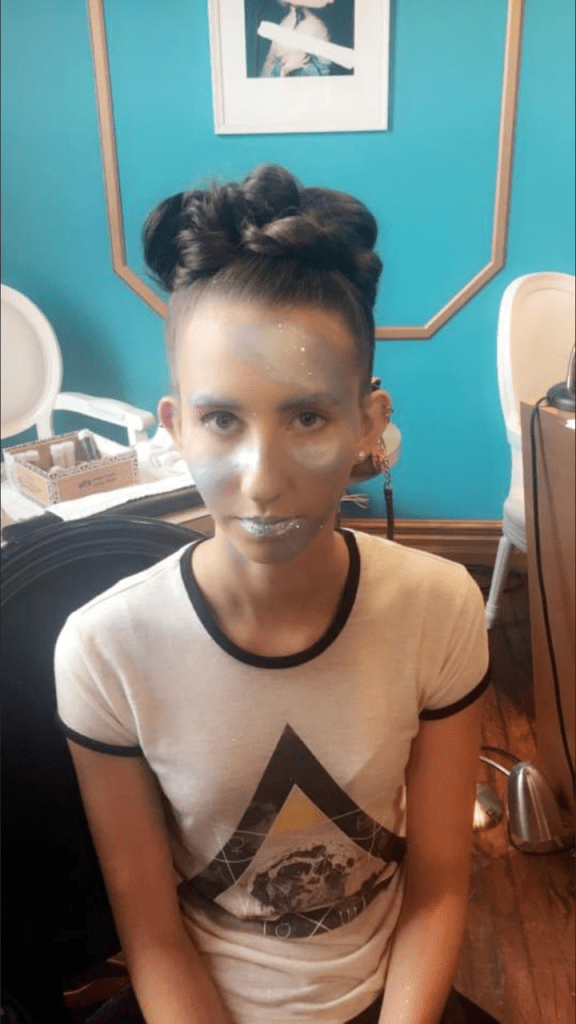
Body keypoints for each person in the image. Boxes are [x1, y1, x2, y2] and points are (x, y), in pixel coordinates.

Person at [55, 164, 497, 1024]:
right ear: (176, 428)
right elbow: (152, 935)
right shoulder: (106, 652)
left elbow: (441, 886)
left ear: (369, 426)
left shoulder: (439, 610)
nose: (262, 480)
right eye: (222, 420)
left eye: (307, 418)